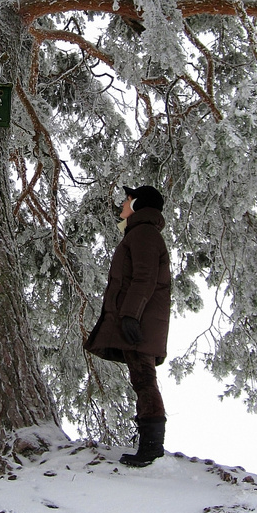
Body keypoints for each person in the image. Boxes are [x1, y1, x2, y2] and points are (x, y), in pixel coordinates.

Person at [85, 184, 171, 466]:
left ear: (137, 205)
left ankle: (151, 448)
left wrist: (131, 315)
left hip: (140, 320)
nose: (122, 204)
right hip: (140, 318)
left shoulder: (144, 233)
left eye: (127, 199)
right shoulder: (140, 233)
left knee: (144, 379)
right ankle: (150, 445)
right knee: (142, 378)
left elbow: (144, 278)